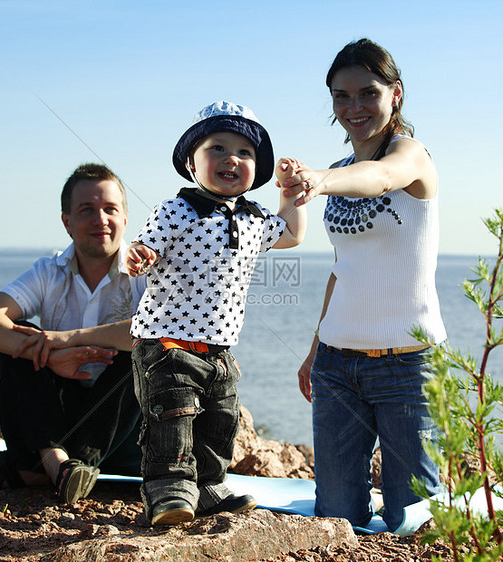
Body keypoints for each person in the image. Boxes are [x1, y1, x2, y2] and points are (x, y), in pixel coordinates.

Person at [279, 39, 447, 531]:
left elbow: (380, 177)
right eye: (341, 96)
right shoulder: (337, 174)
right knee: (336, 519)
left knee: (411, 521)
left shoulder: (411, 156)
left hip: (407, 367)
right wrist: (315, 349)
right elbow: (342, 268)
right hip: (336, 366)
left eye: (367, 93)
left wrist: (320, 180)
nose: (353, 107)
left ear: (395, 94)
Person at [126, 101, 307, 525]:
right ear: (192, 162)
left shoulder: (254, 218)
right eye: (218, 148)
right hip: (166, 344)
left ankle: (208, 487)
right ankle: (168, 491)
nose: (232, 159)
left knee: (219, 422)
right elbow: (144, 245)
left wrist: (289, 193)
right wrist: (138, 256)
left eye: (245, 153)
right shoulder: (176, 210)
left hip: (219, 349)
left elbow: (294, 233)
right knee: (172, 418)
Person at [0, 163, 146, 504]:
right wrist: (47, 355)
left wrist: (69, 340)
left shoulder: (146, 272)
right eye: (86, 210)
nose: (100, 220)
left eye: (110, 209)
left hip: (122, 422)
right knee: (17, 341)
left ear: (125, 218)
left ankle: (39, 469)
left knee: (142, 353)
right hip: (59, 415)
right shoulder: (49, 271)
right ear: (67, 221)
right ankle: (60, 466)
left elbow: (158, 331)